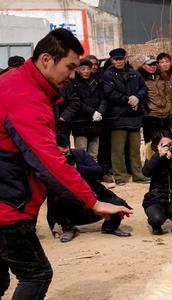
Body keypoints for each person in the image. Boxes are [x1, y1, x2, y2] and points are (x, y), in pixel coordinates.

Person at [0, 28, 131, 300]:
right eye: (70, 67)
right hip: (8, 206)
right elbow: (47, 160)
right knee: (36, 275)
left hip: (8, 195)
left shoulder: (13, 81)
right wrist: (92, 201)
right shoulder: (25, 95)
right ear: (46, 59)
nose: (72, 75)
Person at [47, 135, 131, 242]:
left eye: (67, 153)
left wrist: (78, 168)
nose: (65, 156)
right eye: (61, 154)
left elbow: (98, 171)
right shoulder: (49, 162)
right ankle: (68, 228)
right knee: (58, 197)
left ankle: (110, 227)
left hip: (93, 204)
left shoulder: (79, 154)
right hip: (71, 209)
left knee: (119, 203)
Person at [103, 47, 148, 185]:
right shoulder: (108, 75)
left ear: (125, 58)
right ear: (112, 60)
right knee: (118, 150)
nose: (119, 62)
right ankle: (120, 176)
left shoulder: (134, 73)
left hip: (134, 116)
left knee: (135, 149)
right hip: (117, 117)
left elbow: (144, 88)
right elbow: (109, 93)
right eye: (116, 59)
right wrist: (128, 99)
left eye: (121, 59)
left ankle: (138, 175)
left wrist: (137, 97)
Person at [142, 130, 172, 235]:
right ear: (156, 146)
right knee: (156, 218)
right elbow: (146, 173)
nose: (167, 147)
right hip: (156, 198)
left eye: (170, 144)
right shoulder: (152, 157)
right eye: (162, 145)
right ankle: (156, 226)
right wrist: (158, 157)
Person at [62, 58, 106, 159]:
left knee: (94, 154)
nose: (86, 71)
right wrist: (92, 112)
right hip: (80, 123)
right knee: (81, 154)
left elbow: (104, 98)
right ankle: (82, 174)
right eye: (83, 69)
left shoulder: (97, 81)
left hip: (96, 123)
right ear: (77, 69)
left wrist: (100, 112)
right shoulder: (73, 83)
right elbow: (77, 102)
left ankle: (93, 174)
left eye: (88, 69)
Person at [139, 55, 172, 143]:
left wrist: (168, 108)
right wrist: (146, 111)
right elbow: (140, 97)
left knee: (168, 142)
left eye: (154, 64)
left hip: (165, 115)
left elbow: (168, 94)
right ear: (143, 65)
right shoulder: (140, 78)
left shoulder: (162, 76)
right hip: (150, 116)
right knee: (151, 143)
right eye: (150, 65)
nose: (153, 66)